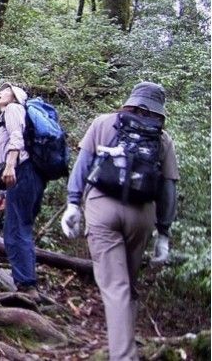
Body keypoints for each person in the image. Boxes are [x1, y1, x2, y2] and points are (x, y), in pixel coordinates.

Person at [60, 81, 179, 361]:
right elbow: (168, 188)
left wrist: (73, 204)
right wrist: (164, 232)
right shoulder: (162, 139)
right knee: (127, 284)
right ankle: (125, 345)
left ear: (130, 100)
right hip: (142, 214)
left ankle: (123, 356)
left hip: (102, 207)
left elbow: (83, 165)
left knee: (116, 287)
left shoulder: (104, 122)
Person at [0, 82, 45, 292]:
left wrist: (11, 166)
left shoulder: (13, 109)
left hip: (23, 172)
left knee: (16, 231)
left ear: (15, 97)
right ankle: (25, 282)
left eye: (6, 90)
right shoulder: (10, 113)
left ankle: (27, 287)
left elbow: (16, 139)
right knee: (21, 228)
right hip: (29, 176)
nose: (0, 92)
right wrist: (3, 194)